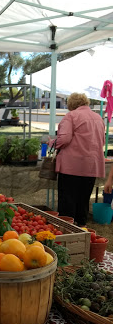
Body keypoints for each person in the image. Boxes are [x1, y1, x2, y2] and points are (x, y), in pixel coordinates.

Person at [53, 92, 105, 226]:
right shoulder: (98, 118)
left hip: (71, 166)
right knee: (83, 201)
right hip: (91, 166)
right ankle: (82, 230)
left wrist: (53, 143)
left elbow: (64, 139)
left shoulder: (71, 116)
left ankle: (67, 231)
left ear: (71, 104)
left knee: (67, 202)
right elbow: (102, 141)